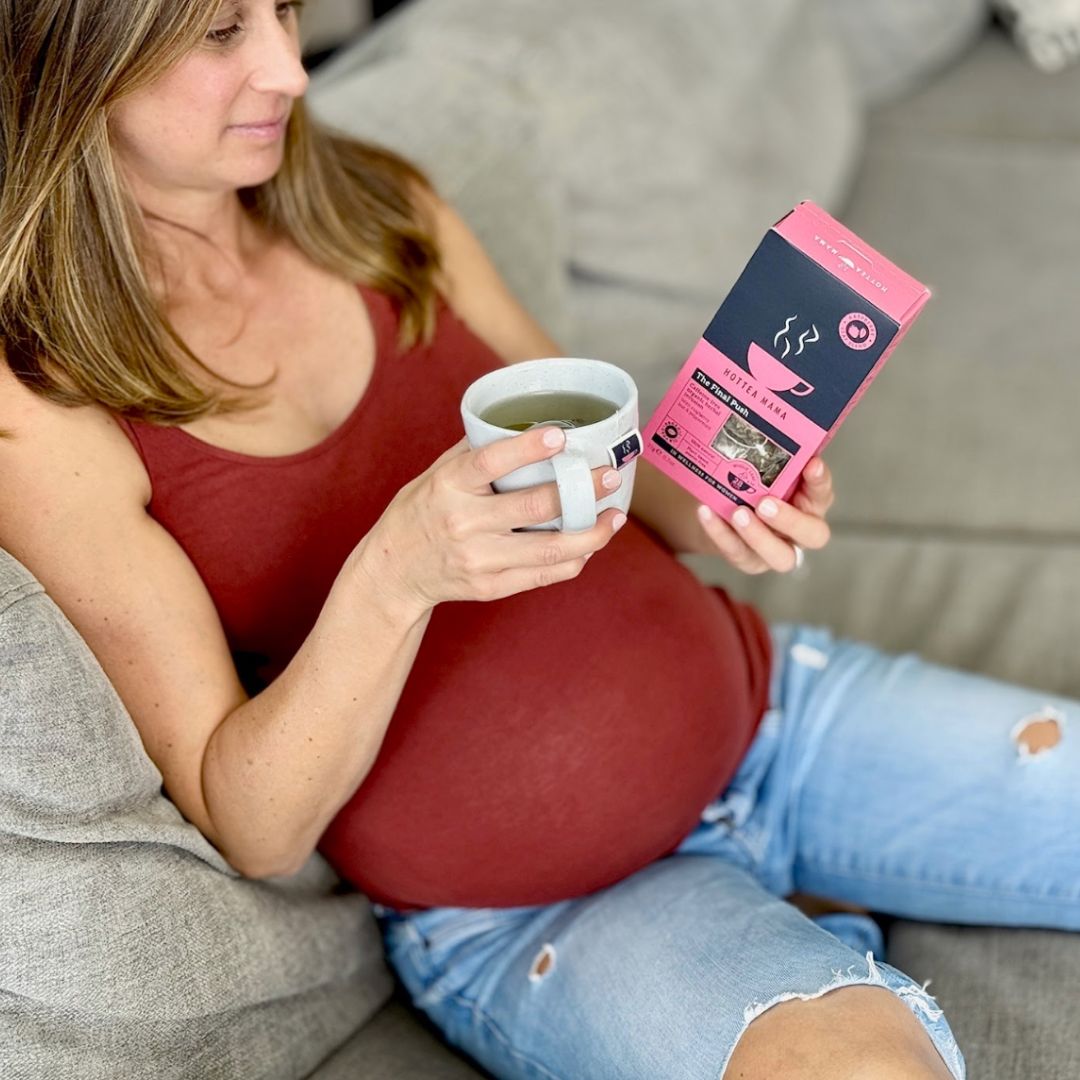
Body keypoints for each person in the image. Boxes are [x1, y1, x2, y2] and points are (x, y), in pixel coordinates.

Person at [0, 3, 1075, 1078]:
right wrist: (397, 570)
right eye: (223, 33)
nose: (290, 69)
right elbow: (253, 824)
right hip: (541, 909)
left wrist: (725, 496)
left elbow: (612, 480)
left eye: (284, 11)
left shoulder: (378, 205)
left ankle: (818, 909)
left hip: (771, 716)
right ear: (72, 56)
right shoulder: (44, 405)